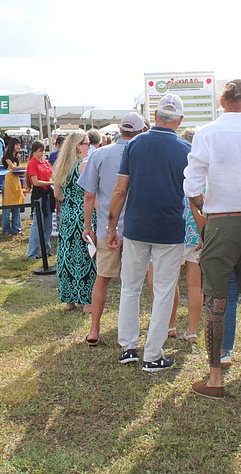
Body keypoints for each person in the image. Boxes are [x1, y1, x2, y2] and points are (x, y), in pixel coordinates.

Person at [184, 80, 241, 399]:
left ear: (222, 101)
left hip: (220, 220)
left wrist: (203, 208)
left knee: (216, 301)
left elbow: (192, 185)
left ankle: (216, 376)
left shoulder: (208, 132)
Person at [106, 94, 190, 373]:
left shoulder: (135, 144)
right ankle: (153, 354)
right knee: (164, 290)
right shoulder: (185, 148)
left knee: (130, 286)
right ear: (179, 120)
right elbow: (194, 193)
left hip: (137, 226)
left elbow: (120, 191)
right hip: (169, 228)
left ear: (155, 115)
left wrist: (111, 226)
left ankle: (128, 347)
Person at [79, 112, 146, 345]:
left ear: (120, 129)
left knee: (103, 278)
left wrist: (87, 225)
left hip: (107, 227)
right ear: (141, 131)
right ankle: (134, 331)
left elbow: (89, 194)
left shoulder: (99, 154)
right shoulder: (142, 155)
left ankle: (94, 329)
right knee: (135, 283)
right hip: (137, 228)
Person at [53, 132, 96, 311]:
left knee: (66, 255)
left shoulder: (61, 167)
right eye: (86, 143)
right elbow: (89, 193)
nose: (89, 146)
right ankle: (87, 302)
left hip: (67, 214)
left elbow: (57, 194)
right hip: (83, 214)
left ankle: (69, 301)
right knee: (87, 256)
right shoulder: (83, 166)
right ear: (78, 146)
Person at [167, 127, 202, 344]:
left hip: (176, 229)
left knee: (170, 282)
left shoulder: (176, 166)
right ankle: (191, 329)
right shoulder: (202, 169)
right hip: (196, 230)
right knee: (195, 284)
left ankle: (170, 325)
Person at [26, 140, 55, 258]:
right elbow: (35, 182)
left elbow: (53, 174)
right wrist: (51, 182)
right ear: (34, 151)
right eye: (40, 151)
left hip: (48, 194)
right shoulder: (32, 163)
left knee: (48, 225)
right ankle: (32, 252)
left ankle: (46, 250)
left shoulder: (45, 162)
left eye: (43, 150)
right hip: (39, 195)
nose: (42, 153)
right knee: (37, 224)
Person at [1, 139, 23, 235]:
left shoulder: (18, 157)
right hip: (8, 182)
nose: (18, 147)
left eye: (19, 145)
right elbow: (13, 168)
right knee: (7, 208)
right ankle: (6, 229)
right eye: (16, 145)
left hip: (16, 182)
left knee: (17, 206)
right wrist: (26, 168)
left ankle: (16, 228)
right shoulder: (7, 156)